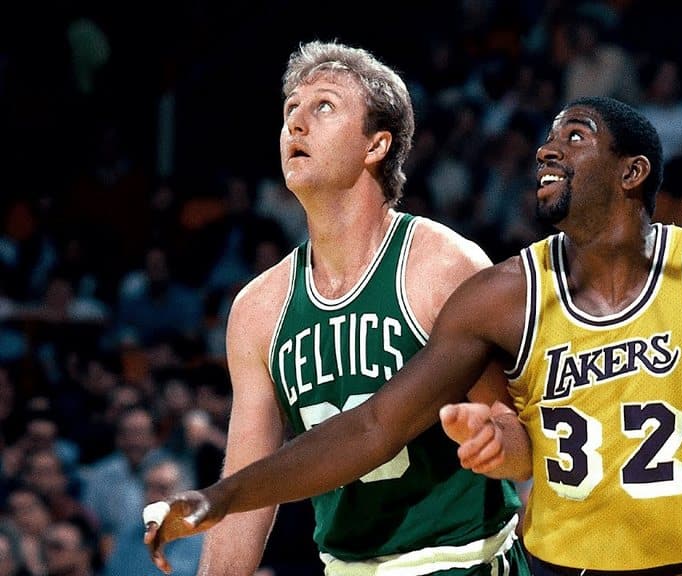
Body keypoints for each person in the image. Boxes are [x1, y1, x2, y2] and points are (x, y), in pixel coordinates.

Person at [145, 96, 682, 576]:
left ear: (632, 173)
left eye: (575, 137)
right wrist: (223, 497)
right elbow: (373, 426)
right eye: (548, 138)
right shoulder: (503, 296)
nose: (548, 149)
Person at [156, 39, 528, 576]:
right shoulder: (258, 309)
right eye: (290, 109)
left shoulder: (443, 265)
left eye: (323, 106)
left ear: (376, 145)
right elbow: (247, 490)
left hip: (464, 559)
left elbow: (518, 441)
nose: (295, 124)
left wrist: (494, 443)